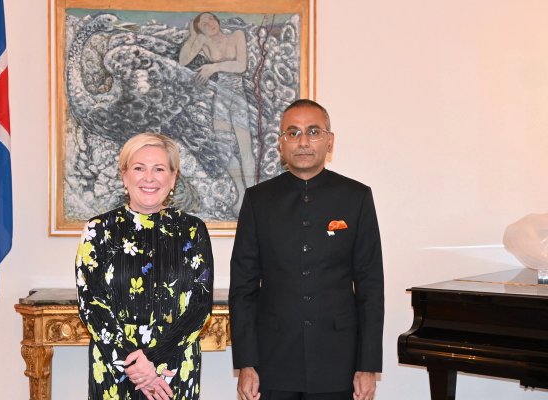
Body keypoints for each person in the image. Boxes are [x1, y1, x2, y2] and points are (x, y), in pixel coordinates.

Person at [229, 99, 384, 400]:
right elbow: (243, 288)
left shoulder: (356, 197)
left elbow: (371, 287)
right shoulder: (258, 200)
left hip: (339, 360)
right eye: (293, 133)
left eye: (313, 132)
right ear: (281, 143)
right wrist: (246, 362)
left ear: (329, 141)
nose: (303, 142)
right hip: (273, 361)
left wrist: (367, 365)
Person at [75, 133, 214, 400]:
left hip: (174, 368)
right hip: (115, 368)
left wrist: (154, 360)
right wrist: (135, 366)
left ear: (173, 177)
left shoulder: (193, 230)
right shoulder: (98, 230)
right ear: (124, 175)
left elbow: (201, 305)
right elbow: (90, 304)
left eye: (159, 169)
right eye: (139, 168)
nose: (149, 178)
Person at [179, 12, 256, 216]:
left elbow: (241, 65)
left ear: (217, 20)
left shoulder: (236, 35)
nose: (209, 24)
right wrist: (193, 36)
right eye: (203, 24)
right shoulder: (203, 42)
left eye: (211, 19)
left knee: (245, 148)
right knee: (223, 149)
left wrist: (213, 67)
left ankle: (254, 198)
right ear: (200, 30)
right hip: (221, 96)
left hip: (238, 96)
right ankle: (242, 193)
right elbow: (183, 60)